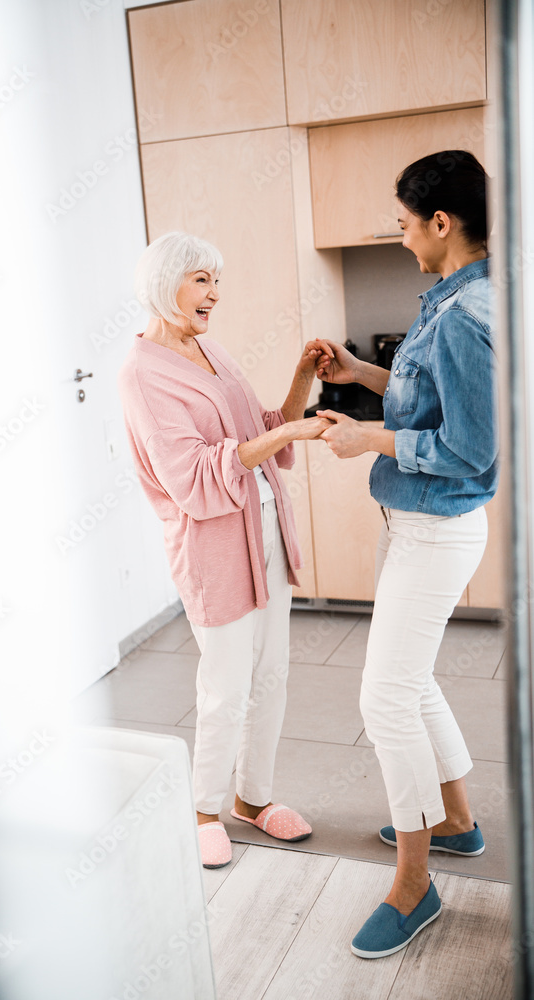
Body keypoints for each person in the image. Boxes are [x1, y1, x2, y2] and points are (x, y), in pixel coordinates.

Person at [312, 149, 498, 958]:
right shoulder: (456, 299)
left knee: (382, 700)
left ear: (440, 222)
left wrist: (366, 439)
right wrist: (361, 372)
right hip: (420, 526)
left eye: (401, 223)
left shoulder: (465, 315)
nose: (399, 238)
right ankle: (453, 821)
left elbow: (469, 447)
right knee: (409, 682)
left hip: (436, 528)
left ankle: (415, 886)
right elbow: (431, 394)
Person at [118, 231, 330, 868]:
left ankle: (253, 800)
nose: (215, 294)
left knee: (271, 675)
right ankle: (205, 809)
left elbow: (259, 432)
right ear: (167, 284)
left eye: (216, 279)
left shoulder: (209, 347)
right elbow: (193, 476)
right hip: (213, 547)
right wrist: (291, 431)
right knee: (226, 685)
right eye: (202, 280)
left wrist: (298, 382)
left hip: (265, 534)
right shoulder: (142, 373)